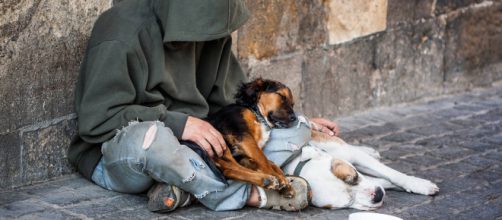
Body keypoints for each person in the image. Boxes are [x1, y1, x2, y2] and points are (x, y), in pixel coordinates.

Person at [69, 0, 339, 212]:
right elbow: (97, 120)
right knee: (154, 141)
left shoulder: (213, 29)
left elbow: (234, 106)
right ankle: (249, 194)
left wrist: (293, 120)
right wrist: (179, 124)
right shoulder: (121, 32)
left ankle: (185, 188)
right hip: (121, 155)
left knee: (297, 130)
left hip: (200, 151)